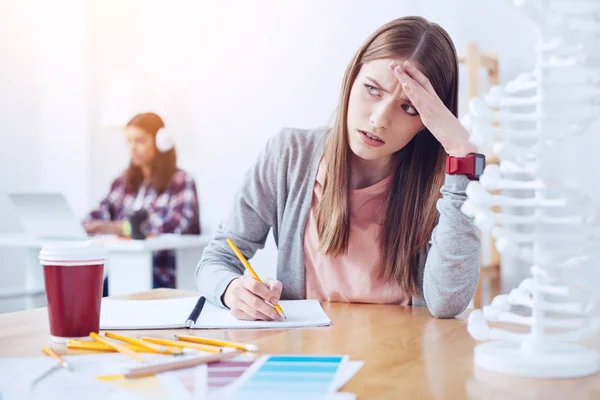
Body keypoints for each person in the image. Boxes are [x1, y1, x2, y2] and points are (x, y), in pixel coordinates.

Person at [197, 16, 480, 320]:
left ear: (428, 121)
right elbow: (217, 259)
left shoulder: (448, 185)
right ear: (352, 78)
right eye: (373, 89)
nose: (379, 119)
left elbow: (447, 304)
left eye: (410, 107)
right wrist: (231, 289)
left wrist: (462, 154)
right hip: (310, 360)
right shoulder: (290, 155)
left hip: (403, 359)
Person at [85, 112, 200, 292]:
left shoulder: (181, 181)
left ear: (161, 142)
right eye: (129, 142)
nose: (132, 148)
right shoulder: (123, 182)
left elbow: (180, 225)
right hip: (123, 271)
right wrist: (87, 225)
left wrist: (120, 228)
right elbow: (98, 215)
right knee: (91, 292)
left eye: (139, 141)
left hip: (161, 278)